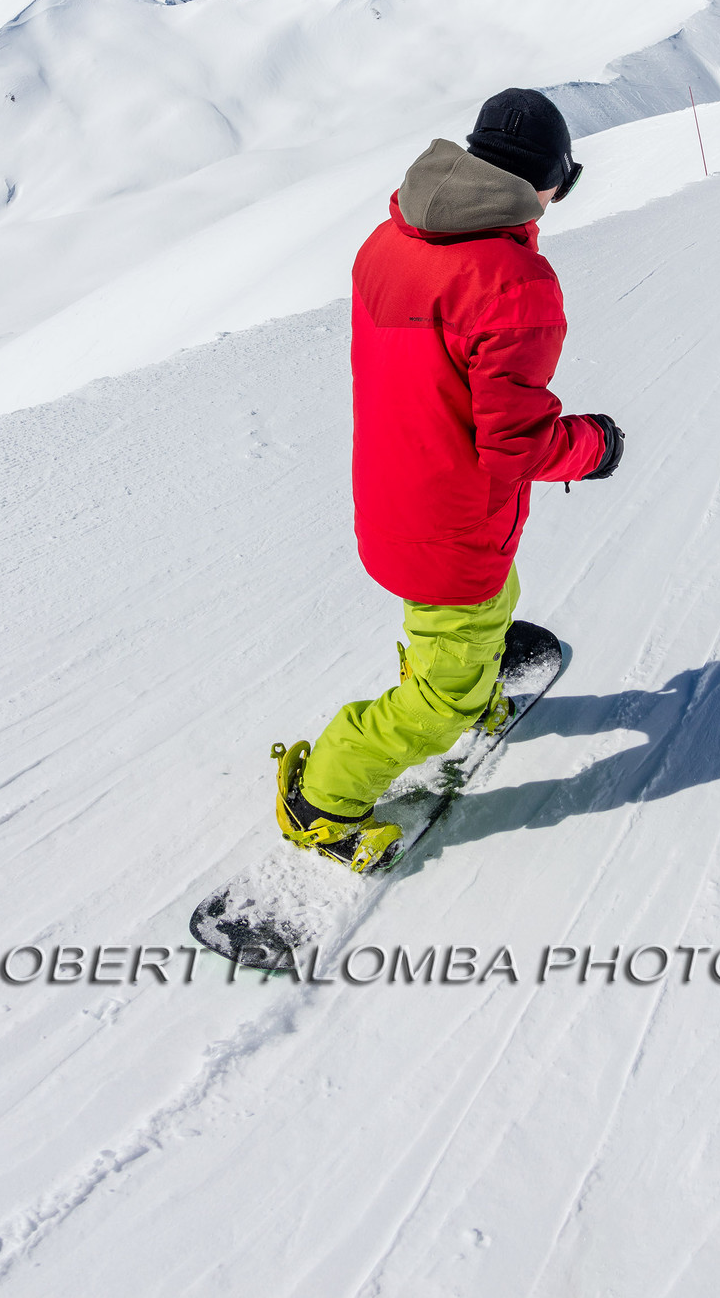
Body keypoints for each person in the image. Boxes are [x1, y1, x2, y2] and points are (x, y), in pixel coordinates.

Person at [272, 89, 624, 872]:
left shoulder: (390, 237)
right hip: (452, 517)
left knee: (484, 602)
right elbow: (517, 443)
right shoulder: (514, 281)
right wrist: (593, 445)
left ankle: (468, 677)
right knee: (441, 694)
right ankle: (324, 795)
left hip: (397, 490)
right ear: (551, 183)